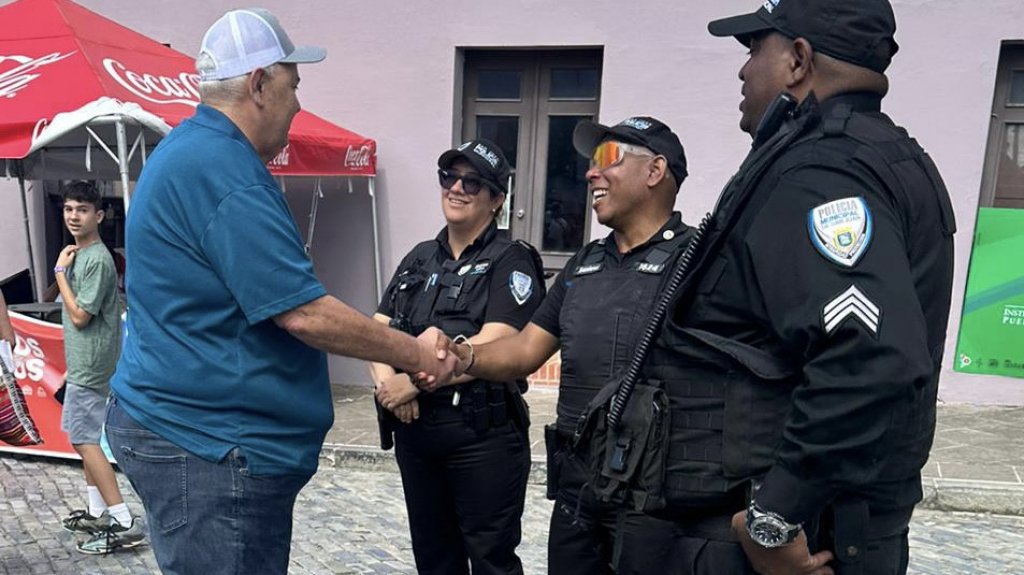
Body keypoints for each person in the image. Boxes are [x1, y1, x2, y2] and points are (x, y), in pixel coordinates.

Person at [590, 1, 955, 574]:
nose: (743, 69)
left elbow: (870, 353)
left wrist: (776, 514)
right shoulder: (873, 154)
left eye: (755, 48)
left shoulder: (821, 171)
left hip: (778, 541)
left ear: (798, 61)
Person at [104, 9, 456, 575]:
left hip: (200, 435)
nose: (297, 104)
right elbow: (304, 313)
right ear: (259, 84)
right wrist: (416, 354)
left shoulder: (193, 151)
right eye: (293, 86)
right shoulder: (222, 168)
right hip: (213, 446)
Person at [429, 117, 694, 574]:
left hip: (653, 498)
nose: (591, 173)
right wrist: (462, 354)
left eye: (608, 159)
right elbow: (526, 350)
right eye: (592, 163)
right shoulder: (584, 263)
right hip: (579, 487)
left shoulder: (698, 261)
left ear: (654, 171)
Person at [369, 139, 545, 575]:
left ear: (497, 200)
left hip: (480, 437)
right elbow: (377, 329)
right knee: (434, 560)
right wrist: (388, 386)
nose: (458, 188)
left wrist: (413, 381)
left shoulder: (511, 261)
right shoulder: (419, 258)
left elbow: (498, 342)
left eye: (474, 182)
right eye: (450, 177)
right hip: (417, 434)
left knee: (491, 562)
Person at [51, 181, 144, 555]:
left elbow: (80, 317)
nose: (74, 216)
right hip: (86, 364)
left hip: (92, 366)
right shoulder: (82, 255)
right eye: (69, 208)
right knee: (84, 436)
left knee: (84, 440)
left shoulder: (97, 260)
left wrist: (59, 272)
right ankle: (97, 511)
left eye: (83, 210)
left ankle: (122, 520)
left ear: (99, 215)